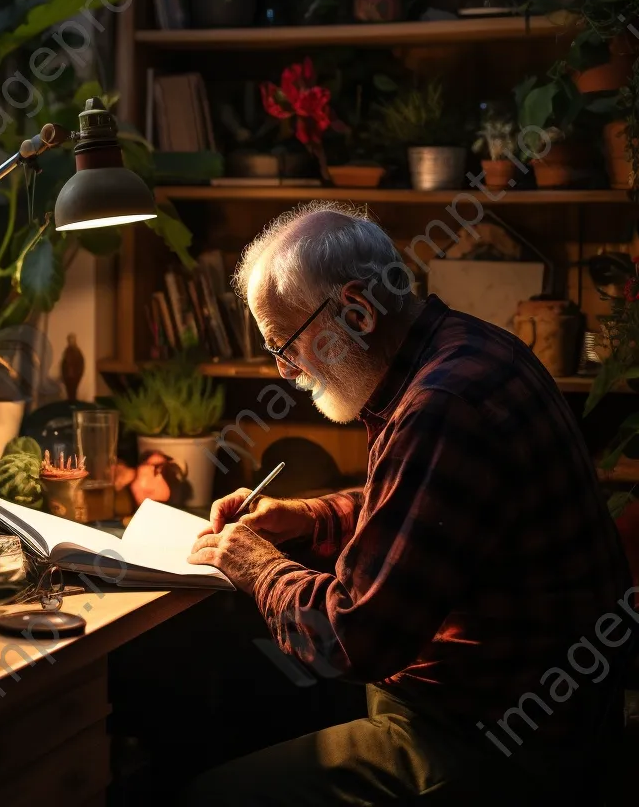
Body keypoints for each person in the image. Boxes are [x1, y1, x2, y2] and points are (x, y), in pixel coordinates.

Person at [186, 203, 635, 806]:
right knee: (255, 693)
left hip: (499, 742)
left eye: (286, 345)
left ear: (355, 310)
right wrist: (310, 515)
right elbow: (416, 500)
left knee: (211, 794)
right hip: (515, 702)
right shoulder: (466, 349)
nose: (286, 371)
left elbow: (351, 639)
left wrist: (256, 565)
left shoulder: (442, 405)